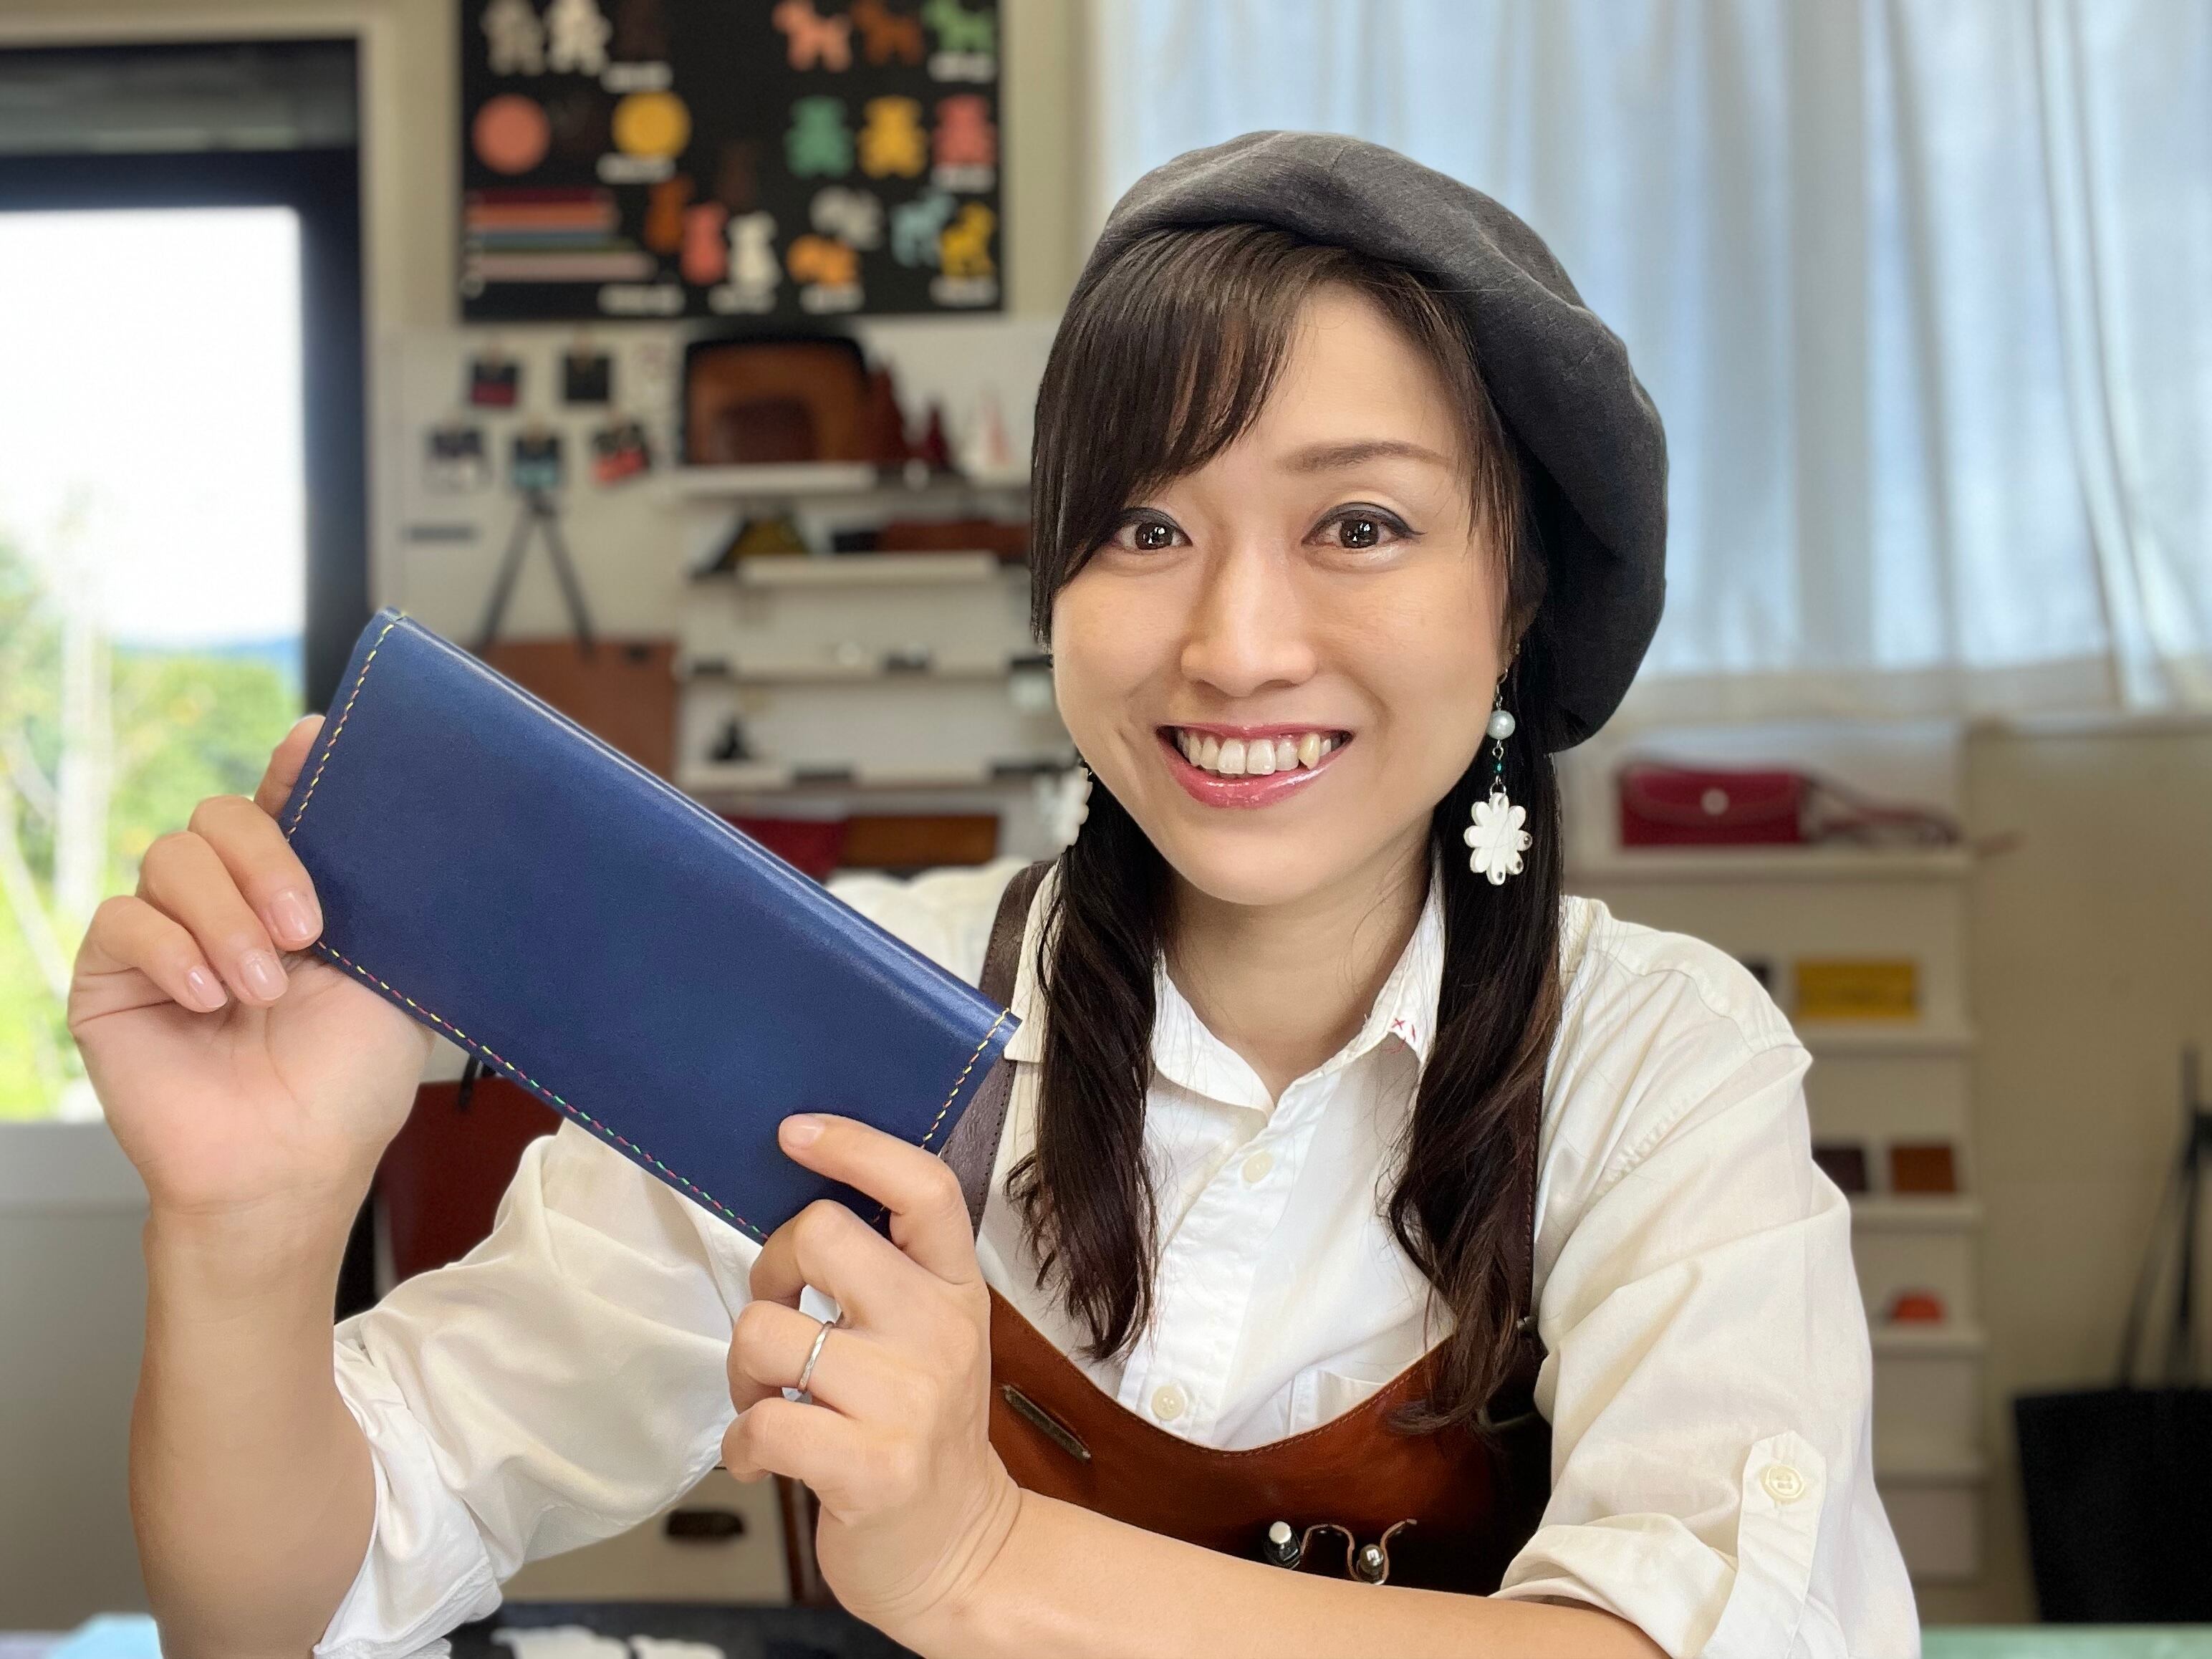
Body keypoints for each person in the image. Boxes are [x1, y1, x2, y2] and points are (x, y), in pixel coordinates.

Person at [69, 133, 1915, 1659]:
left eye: (1359, 525)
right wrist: (249, 1230)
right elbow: (279, 1613)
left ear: (1517, 601)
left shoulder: (1659, 1066)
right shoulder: (855, 1010)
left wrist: (975, 1560)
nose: (1234, 642)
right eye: (1144, 527)